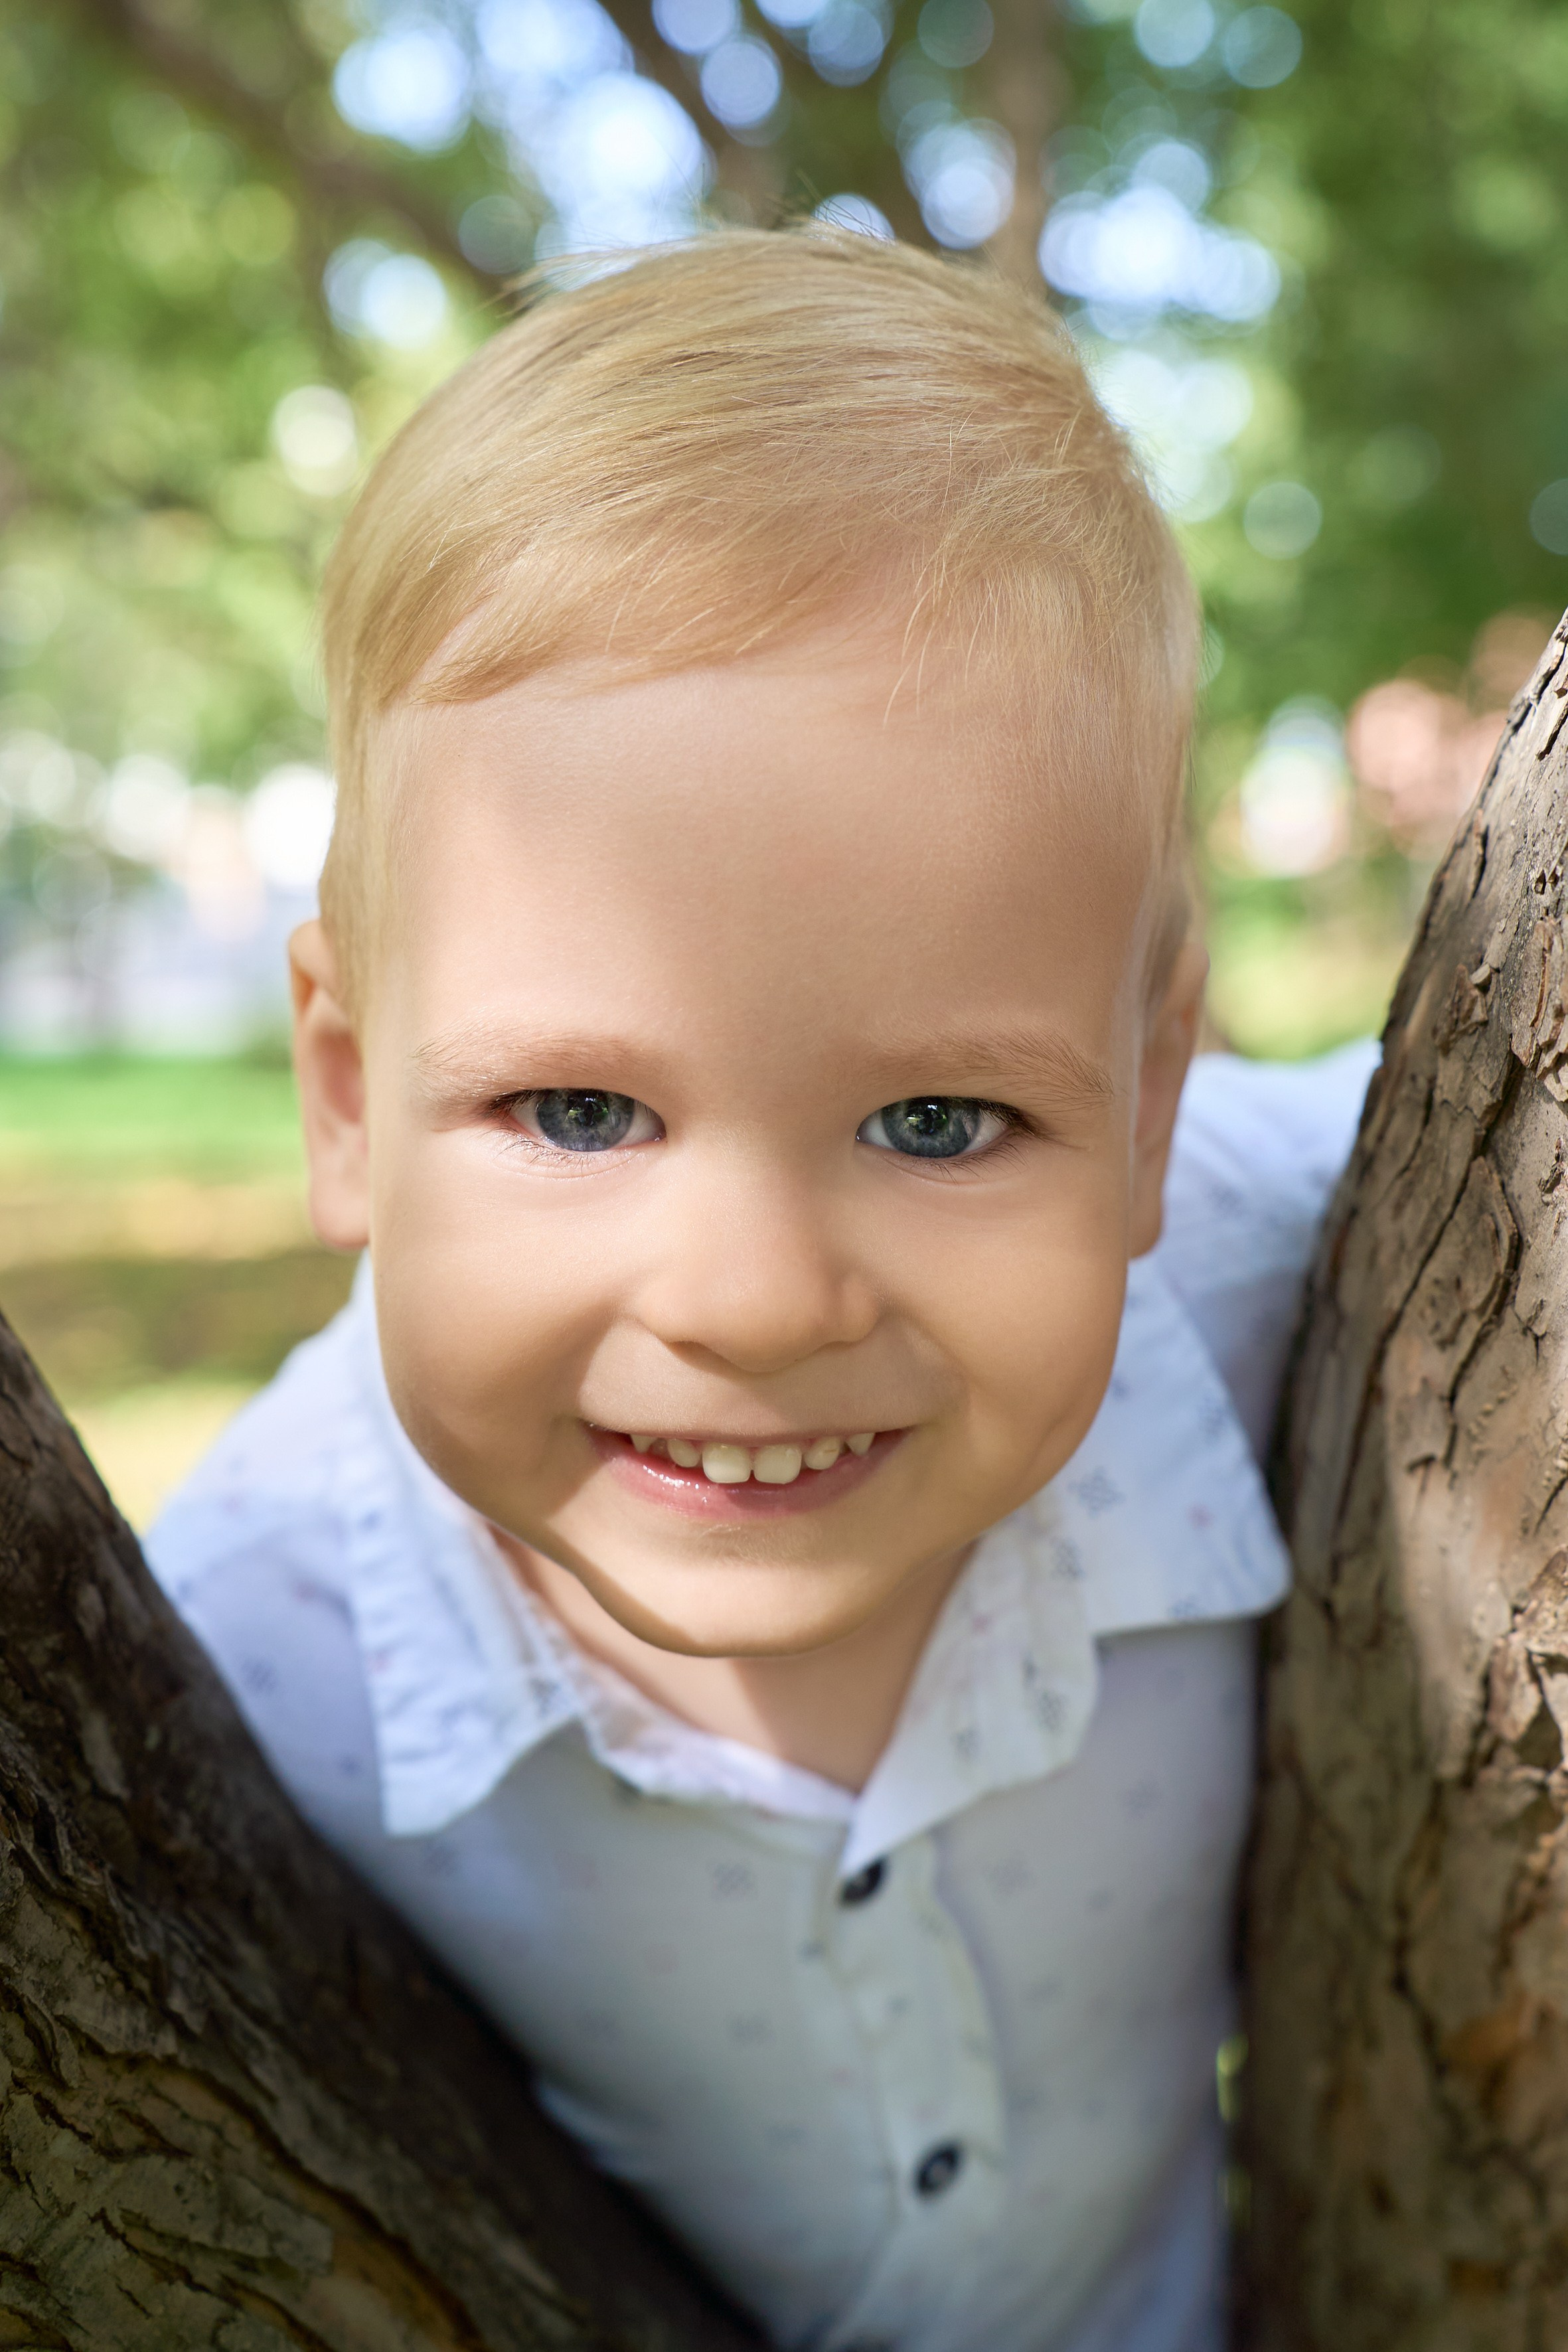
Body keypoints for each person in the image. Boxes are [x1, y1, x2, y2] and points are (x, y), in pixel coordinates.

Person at [147, 229, 1376, 2352]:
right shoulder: (240, 1666)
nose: (752, 1303)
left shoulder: (1288, 1253)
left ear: (1149, 1103)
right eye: (577, 1111)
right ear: (345, 1100)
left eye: (937, 1122)